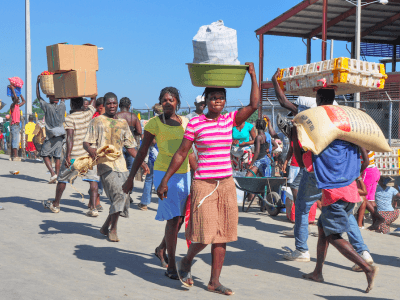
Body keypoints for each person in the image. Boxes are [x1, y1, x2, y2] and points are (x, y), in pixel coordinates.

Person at [155, 63, 259, 296]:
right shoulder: (195, 123)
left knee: (223, 234)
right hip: (204, 184)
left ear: (225, 100)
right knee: (204, 233)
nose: (217, 101)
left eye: (221, 97)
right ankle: (186, 260)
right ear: (206, 99)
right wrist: (165, 181)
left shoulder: (229, 120)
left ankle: (214, 281)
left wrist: (253, 76)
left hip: (226, 184)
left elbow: (254, 104)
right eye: (213, 97)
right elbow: (182, 153)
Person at [272, 70, 374, 269]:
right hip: (341, 175)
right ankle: (364, 253)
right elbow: (361, 147)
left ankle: (302, 249)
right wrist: (360, 167)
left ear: (318, 98)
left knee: (302, 207)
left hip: (316, 172)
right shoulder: (345, 118)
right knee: (345, 214)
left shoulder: (312, 115)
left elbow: (284, 102)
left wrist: (275, 80)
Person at [298, 104, 378, 292]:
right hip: (349, 192)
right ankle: (318, 272)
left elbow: (303, 161)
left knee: (333, 236)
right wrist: (353, 176)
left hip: (335, 195)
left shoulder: (322, 145)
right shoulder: (350, 143)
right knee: (322, 228)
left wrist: (295, 135)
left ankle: (367, 268)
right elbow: (365, 161)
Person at [122, 86, 196, 279]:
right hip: (164, 174)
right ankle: (172, 265)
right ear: (160, 102)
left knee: (179, 219)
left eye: (171, 100)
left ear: (177, 102)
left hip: (184, 173)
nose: (167, 103)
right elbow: (142, 150)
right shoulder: (154, 123)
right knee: (172, 219)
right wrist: (131, 178)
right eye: (164, 100)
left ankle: (161, 249)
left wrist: (198, 175)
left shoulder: (186, 123)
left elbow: (190, 152)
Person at [84, 92, 149, 242]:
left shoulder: (122, 123)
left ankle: (105, 226)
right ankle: (113, 229)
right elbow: (86, 142)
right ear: (104, 105)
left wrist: (142, 162)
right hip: (105, 164)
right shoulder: (97, 121)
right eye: (109, 103)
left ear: (117, 104)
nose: (112, 106)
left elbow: (131, 147)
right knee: (119, 195)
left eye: (114, 103)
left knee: (124, 197)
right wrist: (92, 151)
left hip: (121, 165)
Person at [42, 97, 101, 216]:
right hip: (88, 156)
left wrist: (68, 156)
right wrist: (93, 94)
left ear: (72, 105)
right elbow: (93, 101)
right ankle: (94, 208)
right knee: (93, 180)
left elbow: (69, 138)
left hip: (74, 156)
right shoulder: (88, 114)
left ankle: (56, 204)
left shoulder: (70, 118)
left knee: (62, 179)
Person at [36, 75, 66, 183]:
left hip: (51, 135)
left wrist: (37, 83)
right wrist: (61, 83)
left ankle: (53, 173)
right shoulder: (62, 106)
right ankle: (57, 177)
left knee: (44, 154)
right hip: (61, 135)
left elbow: (39, 97)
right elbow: (63, 97)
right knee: (57, 156)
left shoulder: (47, 106)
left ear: (49, 97)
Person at [138, 105, 162, 211]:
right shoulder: (168, 122)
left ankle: (144, 203)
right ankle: (163, 204)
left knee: (149, 179)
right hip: (164, 155)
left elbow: (150, 141)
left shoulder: (152, 122)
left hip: (154, 155)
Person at [356, 150, 382, 229]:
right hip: (374, 171)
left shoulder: (364, 146)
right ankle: (375, 223)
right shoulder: (370, 144)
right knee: (371, 199)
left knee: (362, 196)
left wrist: (359, 173)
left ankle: (377, 217)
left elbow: (365, 161)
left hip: (367, 172)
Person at [116, 97, 142, 173]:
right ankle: (129, 183)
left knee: (120, 168)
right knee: (131, 168)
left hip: (119, 144)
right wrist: (132, 134)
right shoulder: (133, 116)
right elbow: (140, 132)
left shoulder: (116, 116)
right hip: (131, 144)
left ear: (119, 105)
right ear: (129, 106)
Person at [9, 85, 26, 161]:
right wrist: (13, 90)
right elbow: (15, 99)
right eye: (17, 99)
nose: (18, 100)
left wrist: (19, 93)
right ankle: (15, 156)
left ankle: (12, 156)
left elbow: (24, 101)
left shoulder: (17, 106)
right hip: (14, 125)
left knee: (15, 141)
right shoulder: (12, 105)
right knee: (15, 141)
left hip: (16, 126)